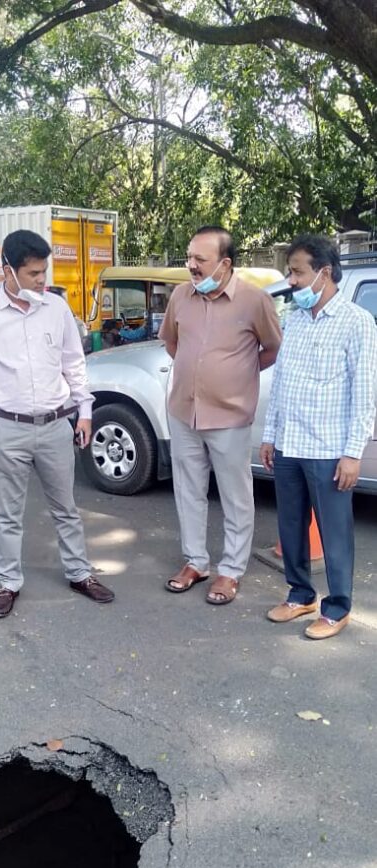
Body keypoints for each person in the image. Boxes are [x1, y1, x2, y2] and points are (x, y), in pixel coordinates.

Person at [0, 229, 114, 618]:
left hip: (54, 427)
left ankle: (80, 573)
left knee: (66, 507)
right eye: (32, 274)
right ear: (8, 271)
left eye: (43, 272)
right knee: (8, 514)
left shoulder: (56, 309)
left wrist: (83, 411)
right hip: (7, 429)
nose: (41, 281)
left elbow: (73, 364)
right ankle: (8, 582)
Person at [260, 233, 377, 639]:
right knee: (291, 525)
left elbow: (364, 396)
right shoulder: (294, 321)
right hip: (290, 445)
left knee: (335, 532)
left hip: (328, 450)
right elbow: (282, 384)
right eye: (290, 271)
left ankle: (337, 607)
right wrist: (271, 435)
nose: (290, 280)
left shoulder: (357, 323)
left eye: (297, 272)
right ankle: (300, 595)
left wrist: (352, 454)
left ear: (324, 273)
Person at [160, 225, 282, 604]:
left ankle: (230, 570)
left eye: (201, 259)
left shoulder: (254, 301)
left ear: (225, 263)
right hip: (184, 412)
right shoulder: (181, 296)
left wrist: (236, 376)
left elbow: (273, 348)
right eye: (189, 257)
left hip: (229, 417)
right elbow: (171, 343)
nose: (191, 266)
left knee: (235, 496)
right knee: (188, 491)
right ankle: (196, 562)